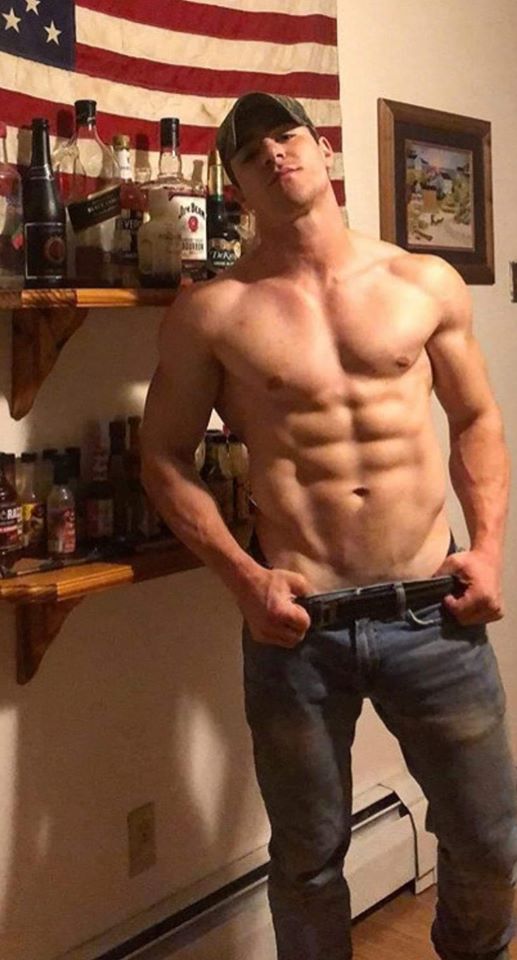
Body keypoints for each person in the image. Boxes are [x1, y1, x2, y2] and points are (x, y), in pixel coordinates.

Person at [141, 92, 517, 960]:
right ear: (235, 188)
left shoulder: (420, 281)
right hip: (298, 625)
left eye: (287, 137)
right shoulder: (213, 311)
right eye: (251, 154)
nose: (275, 155)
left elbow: (475, 419)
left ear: (321, 150)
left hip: (432, 608)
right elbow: (162, 458)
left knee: (489, 841)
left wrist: (488, 548)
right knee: (307, 861)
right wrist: (244, 579)